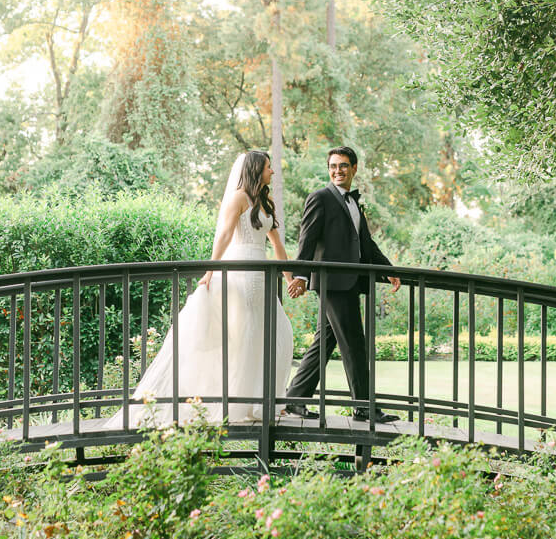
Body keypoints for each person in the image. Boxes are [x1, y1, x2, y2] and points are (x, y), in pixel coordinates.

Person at [104, 151, 295, 428]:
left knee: (275, 333)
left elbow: (277, 244)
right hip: (239, 270)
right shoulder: (238, 198)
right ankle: (238, 404)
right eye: (268, 167)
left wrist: (289, 278)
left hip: (262, 274)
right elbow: (225, 235)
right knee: (246, 334)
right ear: (256, 170)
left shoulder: (266, 200)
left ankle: (260, 401)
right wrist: (210, 270)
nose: (272, 172)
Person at [284, 146, 401, 423]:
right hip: (332, 283)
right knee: (354, 345)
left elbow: (366, 245)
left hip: (349, 282)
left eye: (344, 165)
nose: (338, 171)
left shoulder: (353, 203)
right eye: (334, 166)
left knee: (324, 342)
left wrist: (389, 270)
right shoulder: (320, 198)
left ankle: (295, 398)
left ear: (354, 168)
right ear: (329, 169)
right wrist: (300, 275)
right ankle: (364, 408)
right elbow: (307, 240)